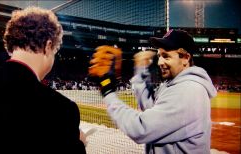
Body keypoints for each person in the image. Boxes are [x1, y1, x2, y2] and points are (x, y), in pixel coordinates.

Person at [0, 7, 86, 153]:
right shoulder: (61, 109)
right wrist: (79, 144)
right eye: (55, 52)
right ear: (48, 46)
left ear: (10, 46)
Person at [89, 29, 217, 154]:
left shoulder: (188, 91)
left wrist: (107, 91)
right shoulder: (172, 84)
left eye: (166, 56)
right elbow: (149, 107)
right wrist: (140, 69)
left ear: (185, 58)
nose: (160, 62)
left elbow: (140, 129)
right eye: (159, 56)